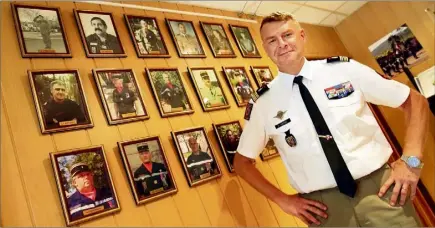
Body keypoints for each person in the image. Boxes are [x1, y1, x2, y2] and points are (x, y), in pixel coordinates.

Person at [233, 12, 430, 227]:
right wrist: (282, 200)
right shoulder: (264, 104)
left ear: (302, 36)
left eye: (287, 35)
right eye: (272, 40)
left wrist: (411, 160)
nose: (281, 44)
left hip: (380, 190)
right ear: (265, 49)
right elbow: (242, 163)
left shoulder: (345, 70)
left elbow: (414, 101)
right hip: (323, 209)